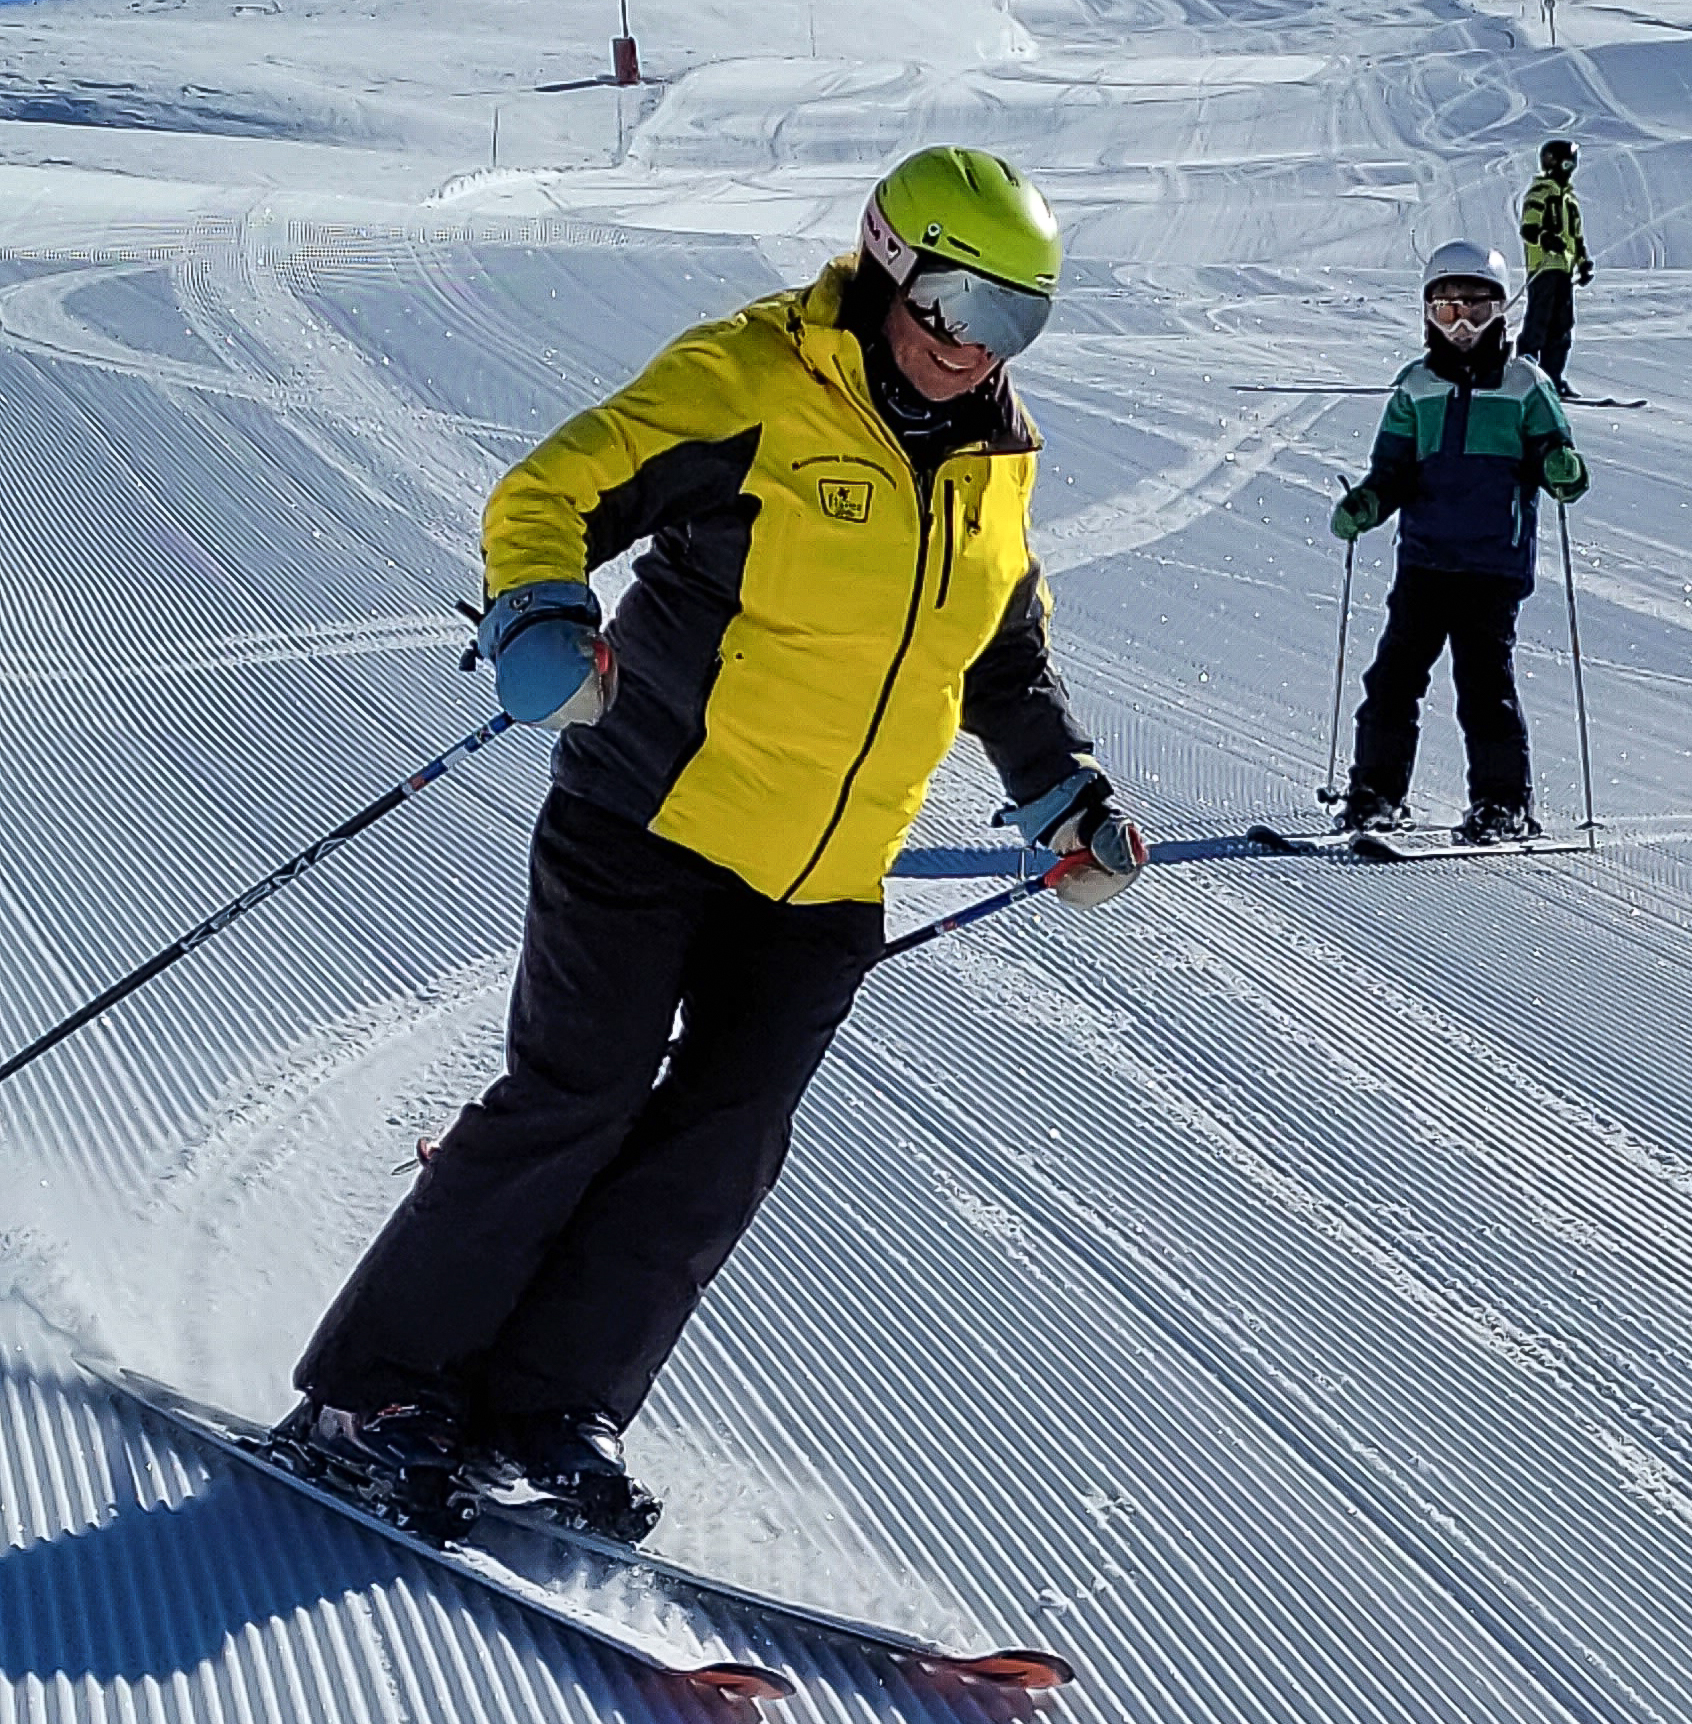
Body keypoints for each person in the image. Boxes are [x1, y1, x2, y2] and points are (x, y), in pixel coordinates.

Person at [283, 146, 1150, 1541]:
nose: (971, 349)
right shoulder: (752, 379)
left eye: (1013, 323)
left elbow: (1002, 649)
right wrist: (542, 615)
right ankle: (370, 1390)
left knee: (720, 1144)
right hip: (651, 820)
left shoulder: (999, 457)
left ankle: (551, 1403)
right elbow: (547, 492)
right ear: (886, 264)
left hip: (822, 882)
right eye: (955, 306)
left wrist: (1066, 794)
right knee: (579, 1094)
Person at [1329, 240, 1587, 843]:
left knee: (1483, 685)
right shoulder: (1415, 387)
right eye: (1447, 310)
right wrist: (1367, 503)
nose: (1464, 324)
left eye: (1477, 308)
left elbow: (1559, 455)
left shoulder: (1525, 385)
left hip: (1492, 565)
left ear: (1503, 312)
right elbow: (1392, 470)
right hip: (1425, 561)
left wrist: (1561, 468)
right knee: (1393, 680)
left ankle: (1502, 801)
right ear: (1427, 315)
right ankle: (1375, 792)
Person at [1514, 138, 1593, 398]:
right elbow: (1529, 227)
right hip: (1544, 266)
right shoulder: (1540, 193)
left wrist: (1583, 263)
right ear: (1552, 163)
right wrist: (1545, 238)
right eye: (1566, 163)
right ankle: (1524, 374)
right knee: (1539, 321)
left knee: (1562, 325)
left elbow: (1576, 237)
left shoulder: (1570, 201)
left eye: (1573, 165)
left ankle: (1553, 378)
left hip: (1564, 270)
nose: (1569, 170)